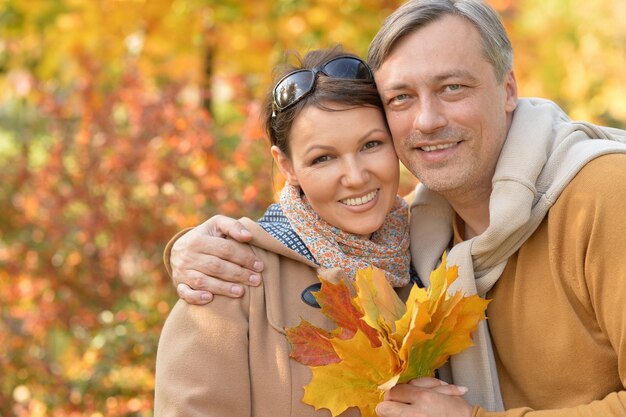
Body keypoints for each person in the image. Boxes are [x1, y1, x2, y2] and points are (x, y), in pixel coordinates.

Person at [164, 0, 626, 416]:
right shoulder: (231, 277)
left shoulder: (601, 196)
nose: (427, 120)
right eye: (402, 97)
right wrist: (184, 247)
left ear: (508, 90)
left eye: (452, 87)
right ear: (287, 166)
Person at [154, 47, 464, 416]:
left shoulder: (432, 255)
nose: (355, 176)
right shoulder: (229, 276)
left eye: (371, 145)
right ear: (286, 166)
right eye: (323, 158)